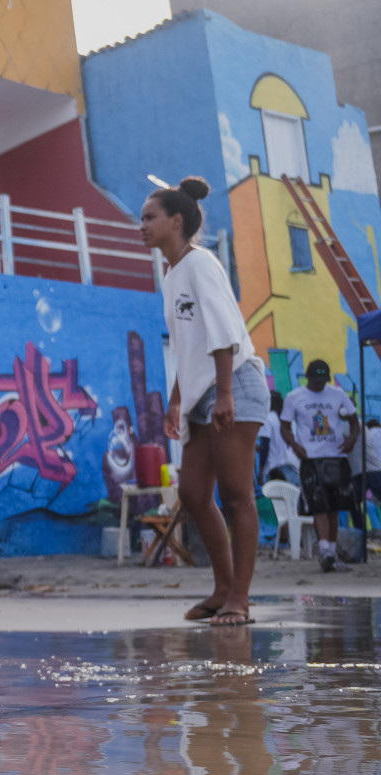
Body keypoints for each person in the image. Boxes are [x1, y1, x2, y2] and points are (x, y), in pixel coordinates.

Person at [140, 176, 269, 626]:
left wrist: (226, 393)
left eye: (150, 217)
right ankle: (220, 589)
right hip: (202, 391)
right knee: (194, 493)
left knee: (236, 496)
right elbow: (185, 347)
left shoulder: (201, 263)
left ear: (177, 221)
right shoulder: (173, 275)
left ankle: (240, 598)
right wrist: (177, 401)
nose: (142, 225)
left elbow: (222, 332)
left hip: (234, 380)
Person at [280, 359, 359, 573]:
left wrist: (351, 440)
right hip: (311, 458)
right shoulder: (294, 397)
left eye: (323, 380)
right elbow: (284, 427)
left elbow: (354, 421)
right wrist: (295, 445)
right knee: (318, 505)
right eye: (316, 380)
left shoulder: (338, 394)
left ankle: (331, 554)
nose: (319, 384)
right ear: (308, 377)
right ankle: (324, 550)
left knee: (334, 506)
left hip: (336, 457)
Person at [260, 391, 300, 487]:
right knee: (296, 500)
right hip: (294, 468)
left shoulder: (268, 419)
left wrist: (261, 471)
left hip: (278, 470)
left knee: (281, 501)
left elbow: (265, 446)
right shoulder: (290, 420)